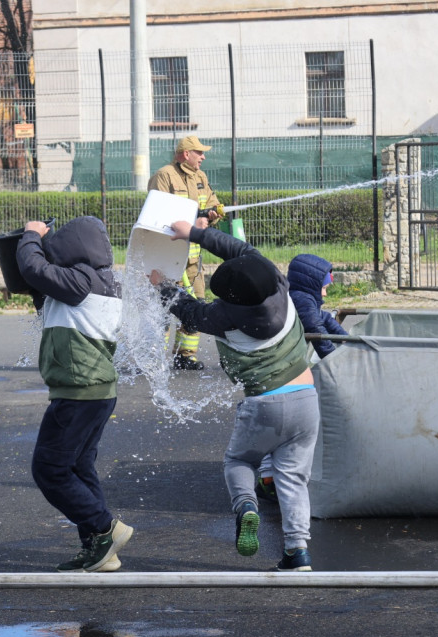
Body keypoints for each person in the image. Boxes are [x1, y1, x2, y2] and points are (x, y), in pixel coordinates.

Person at [149, 220, 319, 571]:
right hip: (306, 395)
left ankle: (247, 507)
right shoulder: (278, 283)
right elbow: (239, 250)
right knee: (293, 477)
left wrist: (161, 285)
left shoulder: (222, 317)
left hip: (264, 403)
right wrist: (195, 233)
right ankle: (297, 551)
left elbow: (187, 310)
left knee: (240, 461)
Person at [15, 216, 133, 573]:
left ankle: (105, 528)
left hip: (79, 392)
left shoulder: (80, 280)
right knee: (79, 467)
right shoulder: (99, 281)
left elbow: (33, 268)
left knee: (49, 469)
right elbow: (42, 291)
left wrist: (31, 235)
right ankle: (100, 551)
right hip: (94, 391)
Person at [255, 253, 349, 503]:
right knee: (278, 430)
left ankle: (271, 478)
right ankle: (268, 481)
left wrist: (349, 343)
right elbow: (316, 329)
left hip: (280, 370)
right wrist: (336, 362)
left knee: (277, 429)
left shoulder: (304, 298)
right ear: (311, 283)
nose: (326, 294)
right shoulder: (301, 300)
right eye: (324, 288)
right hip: (279, 373)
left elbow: (326, 319)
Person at [147, 135, 224, 371]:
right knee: (163, 309)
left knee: (197, 306)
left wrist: (212, 214)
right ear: (185, 154)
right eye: (199, 152)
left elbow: (212, 204)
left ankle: (184, 356)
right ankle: (154, 359)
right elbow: (157, 213)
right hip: (168, 257)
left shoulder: (201, 176)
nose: (204, 157)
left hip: (192, 259)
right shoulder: (164, 176)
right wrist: (195, 217)